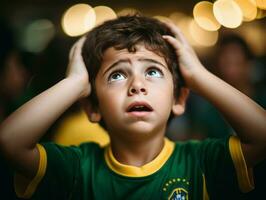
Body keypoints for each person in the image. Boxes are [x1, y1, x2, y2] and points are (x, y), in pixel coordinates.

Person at [0, 15, 265, 200]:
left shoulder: (201, 162)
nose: (137, 84)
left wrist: (198, 75)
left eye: (153, 71)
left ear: (179, 99)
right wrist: (75, 82)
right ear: (93, 107)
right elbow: (10, 142)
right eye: (117, 75)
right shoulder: (76, 168)